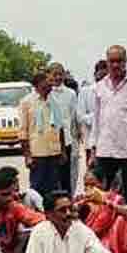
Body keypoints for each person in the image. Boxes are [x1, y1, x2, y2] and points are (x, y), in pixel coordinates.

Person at [88, 45, 127, 218]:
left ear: (126, 62)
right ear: (107, 62)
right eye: (112, 61)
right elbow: (97, 121)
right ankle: (104, 233)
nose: (115, 65)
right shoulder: (99, 87)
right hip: (105, 149)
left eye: (119, 61)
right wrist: (92, 150)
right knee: (101, 195)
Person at [19, 70, 69, 197]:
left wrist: (63, 151)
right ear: (39, 84)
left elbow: (60, 127)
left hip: (54, 153)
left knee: (54, 190)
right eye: (48, 81)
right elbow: (23, 131)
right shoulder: (27, 102)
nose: (51, 84)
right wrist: (27, 156)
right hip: (37, 154)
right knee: (36, 189)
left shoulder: (55, 101)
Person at [77, 172, 127, 253]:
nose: (89, 188)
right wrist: (78, 207)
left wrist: (106, 202)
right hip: (92, 241)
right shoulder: (83, 202)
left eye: (92, 184)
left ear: (103, 183)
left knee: (122, 220)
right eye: (86, 185)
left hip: (110, 240)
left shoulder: (113, 198)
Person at [46, 62, 81, 195]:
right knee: (51, 176)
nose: (57, 78)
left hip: (66, 140)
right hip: (49, 141)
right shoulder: (46, 93)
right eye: (54, 74)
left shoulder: (70, 94)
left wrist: (76, 139)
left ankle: (67, 200)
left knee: (66, 175)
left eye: (60, 74)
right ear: (48, 75)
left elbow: (73, 117)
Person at [77, 59, 108, 151]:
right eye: (101, 74)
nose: (103, 78)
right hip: (92, 140)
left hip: (111, 144)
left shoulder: (115, 92)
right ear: (95, 74)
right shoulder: (85, 91)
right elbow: (80, 116)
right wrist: (97, 117)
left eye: (105, 75)